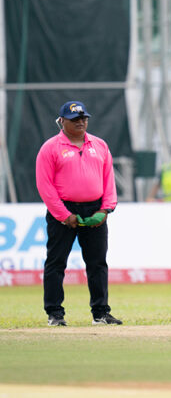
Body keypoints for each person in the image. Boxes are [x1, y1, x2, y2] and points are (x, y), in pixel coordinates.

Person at [35, 101, 122, 326]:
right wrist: (64, 215)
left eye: (83, 118)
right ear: (62, 121)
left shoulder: (99, 145)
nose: (81, 122)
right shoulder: (50, 147)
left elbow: (108, 180)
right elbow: (45, 186)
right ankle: (55, 313)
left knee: (97, 263)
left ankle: (101, 312)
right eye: (75, 119)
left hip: (95, 209)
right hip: (64, 209)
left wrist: (105, 209)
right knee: (56, 262)